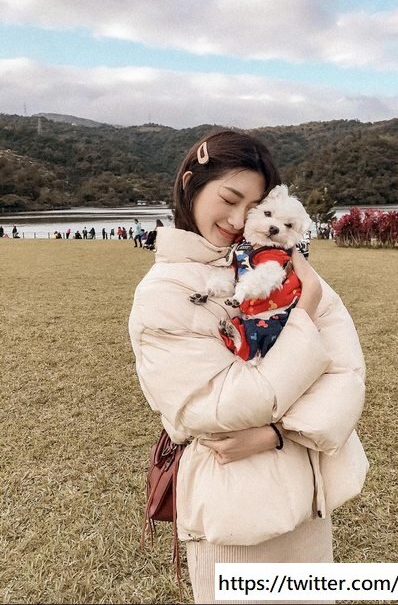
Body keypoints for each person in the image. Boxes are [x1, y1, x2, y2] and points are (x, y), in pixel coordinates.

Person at [129, 131, 367, 604]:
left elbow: (348, 371)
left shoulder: (284, 266)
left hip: (309, 500)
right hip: (234, 508)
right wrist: (303, 316)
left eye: (254, 206)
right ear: (190, 185)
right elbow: (217, 406)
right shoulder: (164, 292)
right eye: (229, 199)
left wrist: (277, 433)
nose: (239, 220)